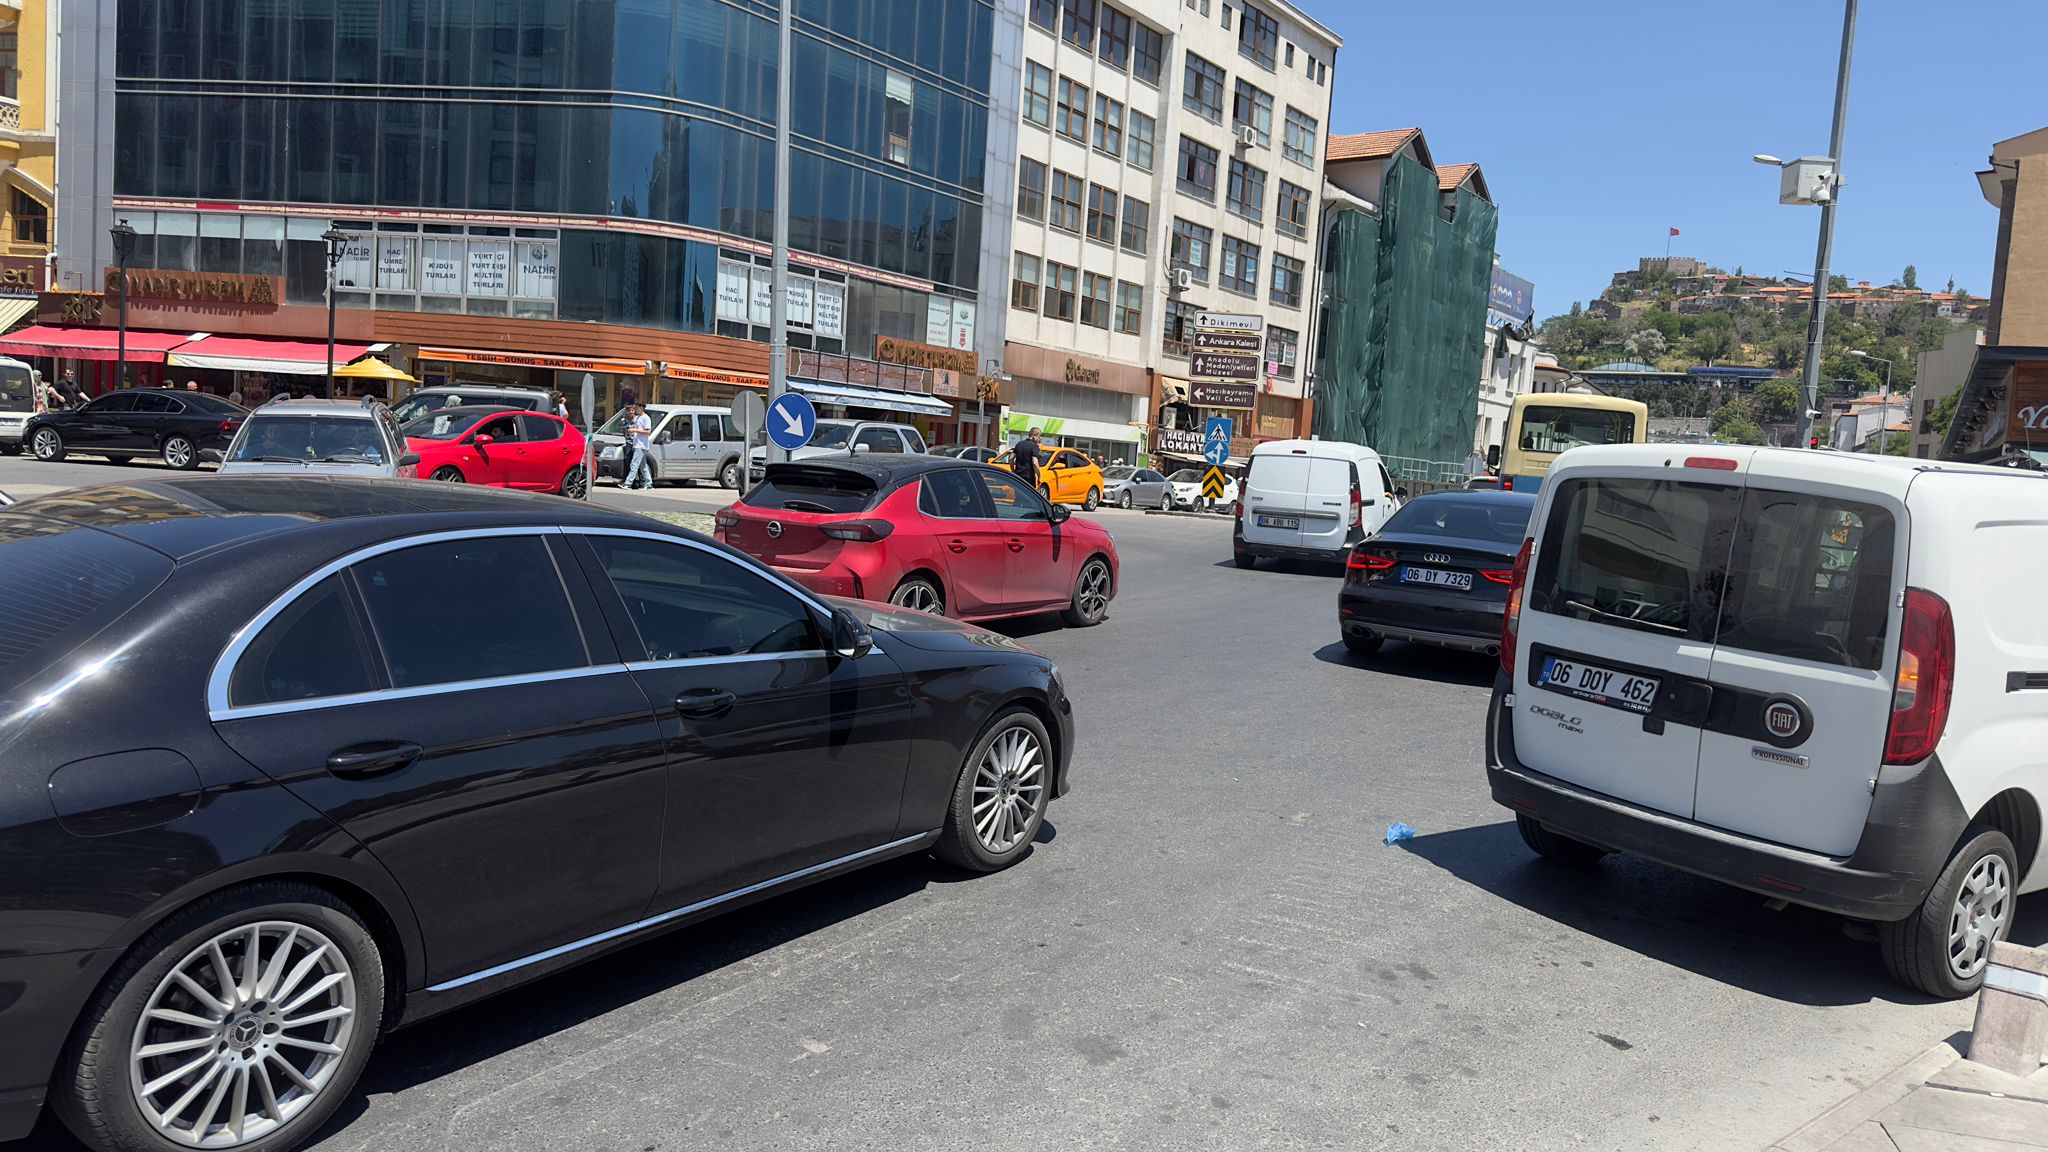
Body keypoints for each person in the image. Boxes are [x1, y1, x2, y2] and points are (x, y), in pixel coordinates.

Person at [622, 403, 655, 490]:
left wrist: (635, 430)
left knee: (634, 464)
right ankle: (648, 483)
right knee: (643, 466)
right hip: (637, 444)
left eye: (637, 408)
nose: (636, 410)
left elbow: (648, 431)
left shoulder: (646, 418)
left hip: (641, 445)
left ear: (642, 408)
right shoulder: (639, 418)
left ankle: (627, 483)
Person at [1014, 428, 1043, 493]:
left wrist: (1013, 471)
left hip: (1018, 476)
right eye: (1039, 437)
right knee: (1029, 498)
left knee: (1018, 496)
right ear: (1034, 436)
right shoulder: (1034, 446)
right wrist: (1039, 476)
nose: (1039, 439)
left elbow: (1011, 459)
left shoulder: (1019, 444)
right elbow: (1035, 463)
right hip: (1028, 477)